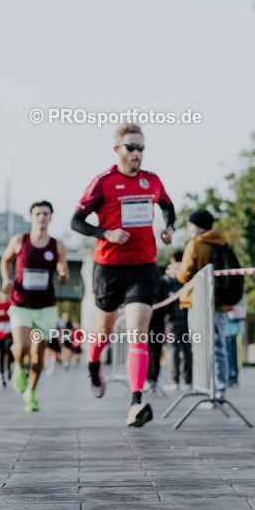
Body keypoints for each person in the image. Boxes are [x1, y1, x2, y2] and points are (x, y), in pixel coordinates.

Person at [72, 123, 175, 427]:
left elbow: (168, 207)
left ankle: (135, 403)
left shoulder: (152, 181)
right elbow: (76, 221)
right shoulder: (102, 182)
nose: (136, 153)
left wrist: (170, 228)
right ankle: (93, 364)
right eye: (130, 147)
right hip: (108, 266)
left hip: (143, 266)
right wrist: (105, 232)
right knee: (103, 331)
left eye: (140, 147)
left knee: (137, 332)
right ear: (117, 149)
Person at [1, 201, 69, 413]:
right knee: (21, 347)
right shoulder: (20, 240)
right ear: (31, 217)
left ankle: (30, 392)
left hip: (45, 308)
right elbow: (5, 260)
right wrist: (6, 278)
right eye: (37, 213)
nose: (41, 217)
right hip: (21, 304)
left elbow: (64, 276)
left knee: (38, 354)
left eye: (45, 213)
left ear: (50, 218)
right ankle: (19, 368)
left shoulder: (57, 246)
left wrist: (63, 275)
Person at [177, 209, 232, 399]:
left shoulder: (195, 245)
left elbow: (185, 274)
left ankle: (205, 387)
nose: (188, 228)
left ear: (196, 226)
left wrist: (175, 271)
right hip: (220, 301)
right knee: (219, 346)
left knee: (200, 345)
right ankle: (219, 389)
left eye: (189, 224)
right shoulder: (223, 242)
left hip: (198, 302)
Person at [156, 251, 192, 391]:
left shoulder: (174, 280)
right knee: (182, 350)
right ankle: (185, 380)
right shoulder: (182, 278)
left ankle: (176, 380)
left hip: (176, 320)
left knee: (178, 351)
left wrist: (170, 275)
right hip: (179, 319)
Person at [226, 297, 247, 387]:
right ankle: (234, 376)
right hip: (235, 326)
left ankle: (231, 375)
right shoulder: (240, 293)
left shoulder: (229, 290)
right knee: (233, 352)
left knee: (229, 353)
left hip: (228, 327)